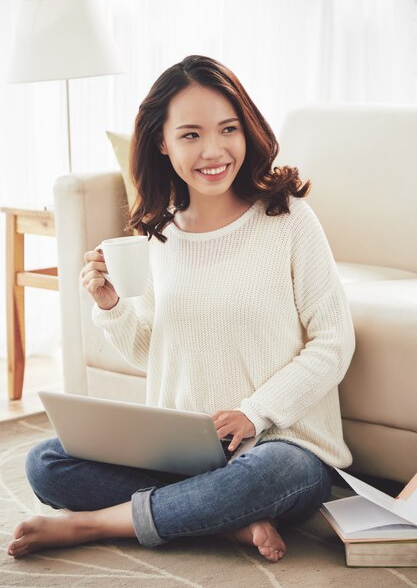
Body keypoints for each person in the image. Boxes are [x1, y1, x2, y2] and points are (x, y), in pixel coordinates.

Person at [8, 55, 355, 562]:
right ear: (162, 143)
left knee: (279, 475)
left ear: (248, 131)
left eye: (227, 129)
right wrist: (111, 307)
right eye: (190, 135)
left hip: (281, 447)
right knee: (46, 462)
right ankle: (220, 522)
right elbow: (154, 350)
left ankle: (96, 524)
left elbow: (334, 341)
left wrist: (254, 415)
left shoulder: (290, 220)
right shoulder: (161, 232)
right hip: (184, 459)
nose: (213, 150)